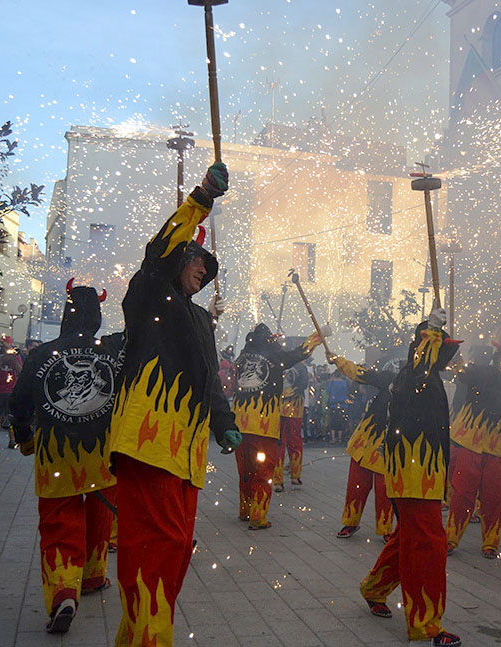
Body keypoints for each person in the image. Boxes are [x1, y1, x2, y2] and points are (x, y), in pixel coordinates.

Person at [109, 162, 241, 647]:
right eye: (196, 260)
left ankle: (137, 636)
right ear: (177, 261)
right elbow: (156, 253)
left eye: (208, 268)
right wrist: (202, 199)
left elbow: (210, 382)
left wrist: (223, 421)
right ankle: (152, 639)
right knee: (157, 544)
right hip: (148, 443)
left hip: (187, 452)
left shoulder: (201, 321)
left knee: (178, 547)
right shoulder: (149, 295)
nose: (203, 270)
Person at [9, 282, 124, 634]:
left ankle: (63, 592)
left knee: (60, 523)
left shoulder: (43, 353)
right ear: (97, 316)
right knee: (99, 513)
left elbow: (19, 403)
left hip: (55, 454)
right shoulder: (113, 349)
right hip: (102, 453)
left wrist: (25, 439)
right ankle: (92, 577)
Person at [359, 308, 462, 647]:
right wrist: (431, 330)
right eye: (445, 349)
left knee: (408, 538)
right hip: (413, 474)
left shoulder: (424, 376)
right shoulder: (415, 374)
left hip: (423, 475)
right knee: (427, 545)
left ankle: (374, 587)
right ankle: (425, 623)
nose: (449, 357)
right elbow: (421, 361)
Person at [233, 323, 327, 529]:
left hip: (239, 423)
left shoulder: (241, 358)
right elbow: (299, 353)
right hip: (264, 426)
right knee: (264, 471)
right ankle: (258, 516)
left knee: (246, 471)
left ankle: (245, 510)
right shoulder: (275, 358)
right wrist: (317, 336)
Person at [445, 336, 501, 559]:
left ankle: (490, 543)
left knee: (494, 499)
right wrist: (452, 350)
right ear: (497, 358)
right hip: (470, 445)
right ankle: (450, 539)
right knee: (461, 495)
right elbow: (460, 370)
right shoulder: (480, 373)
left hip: (496, 452)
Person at [332, 354, 397, 541]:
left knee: (385, 491)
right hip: (366, 440)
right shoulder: (388, 379)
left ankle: (386, 530)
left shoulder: (419, 387)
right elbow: (361, 374)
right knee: (355, 487)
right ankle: (350, 523)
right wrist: (340, 361)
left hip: (388, 446)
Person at [273, 362, 309, 491]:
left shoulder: (297, 366)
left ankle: (285, 478)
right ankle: (286, 478)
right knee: (288, 442)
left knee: (285, 442)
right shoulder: (298, 366)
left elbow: (303, 384)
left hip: (292, 407)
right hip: (286, 409)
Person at [0, 336, 23, 449]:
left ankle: (12, 440)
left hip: (11, 390)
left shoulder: (16, 357)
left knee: (11, 417)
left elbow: (20, 370)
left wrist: (14, 359)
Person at [326, 369, 350, 444]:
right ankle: (339, 438)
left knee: (333, 422)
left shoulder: (331, 383)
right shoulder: (344, 383)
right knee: (341, 422)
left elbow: (328, 392)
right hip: (343, 404)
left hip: (333, 404)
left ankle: (333, 438)